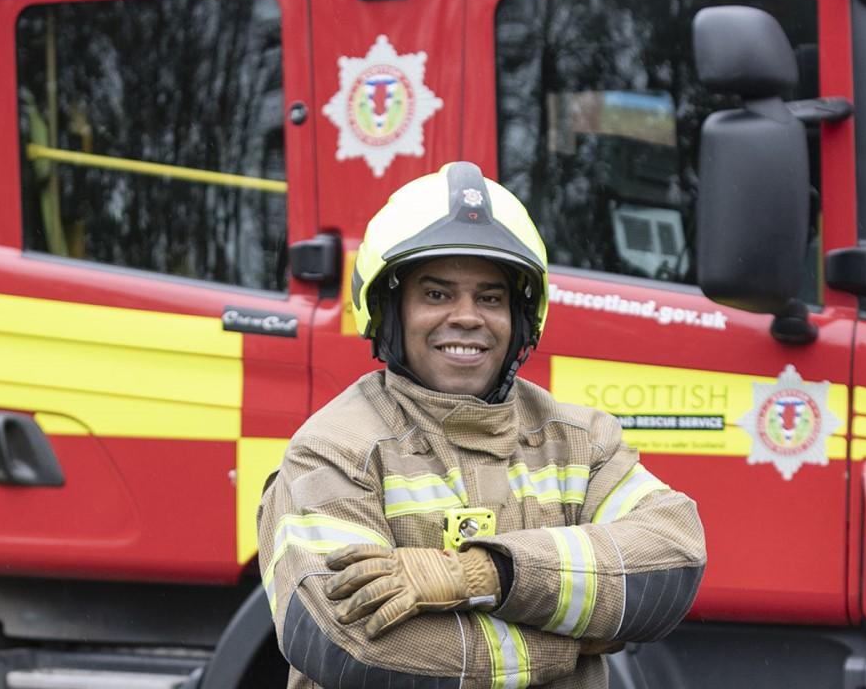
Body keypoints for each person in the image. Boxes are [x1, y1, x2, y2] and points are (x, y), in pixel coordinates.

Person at [258, 162, 706, 689]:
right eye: (437, 294)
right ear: (388, 312)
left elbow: (673, 559)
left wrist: (485, 573)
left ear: (520, 316)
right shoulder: (336, 449)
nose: (468, 316)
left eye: (490, 297)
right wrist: (572, 644)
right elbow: (348, 646)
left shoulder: (581, 442)